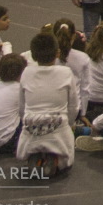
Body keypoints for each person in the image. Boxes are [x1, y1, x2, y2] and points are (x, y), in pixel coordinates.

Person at [19, 31, 79, 174]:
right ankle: (57, 159)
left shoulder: (26, 72)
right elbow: (74, 106)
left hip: (31, 124)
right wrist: (69, 123)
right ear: (58, 53)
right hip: (57, 124)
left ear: (33, 55)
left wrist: (26, 121)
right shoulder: (66, 72)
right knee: (66, 155)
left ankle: (35, 154)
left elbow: (21, 107)